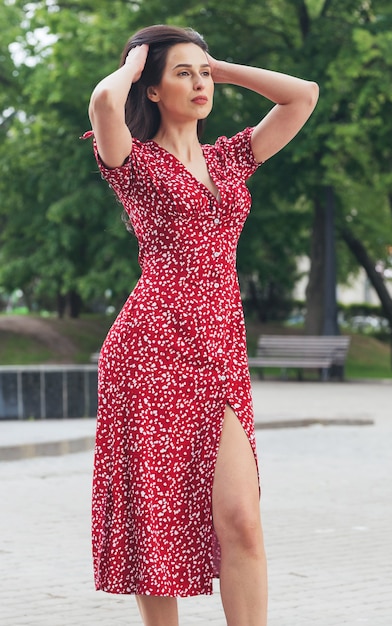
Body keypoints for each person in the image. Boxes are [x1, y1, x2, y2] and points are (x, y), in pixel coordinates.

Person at [86, 24, 318, 626]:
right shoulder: (130, 160)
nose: (198, 83)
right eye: (181, 73)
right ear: (154, 88)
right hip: (152, 349)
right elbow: (106, 102)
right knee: (155, 514)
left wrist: (223, 67)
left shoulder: (231, 158)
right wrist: (136, 62)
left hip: (219, 351)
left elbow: (303, 96)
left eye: (202, 72)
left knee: (241, 518)